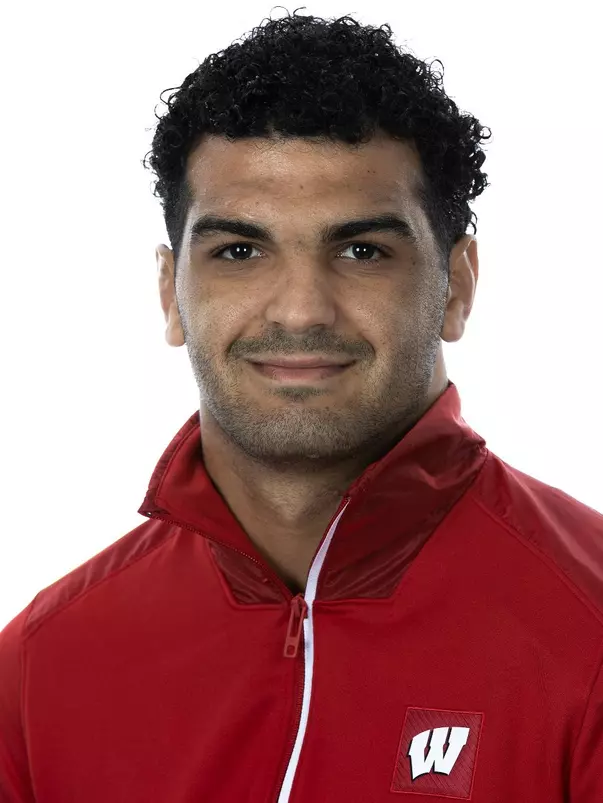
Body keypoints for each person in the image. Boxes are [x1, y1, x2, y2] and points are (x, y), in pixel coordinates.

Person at [1, 11, 602, 803]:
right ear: (171, 293)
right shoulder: (43, 665)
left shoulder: (585, 628)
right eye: (239, 252)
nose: (299, 310)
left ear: (455, 286)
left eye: (361, 251)